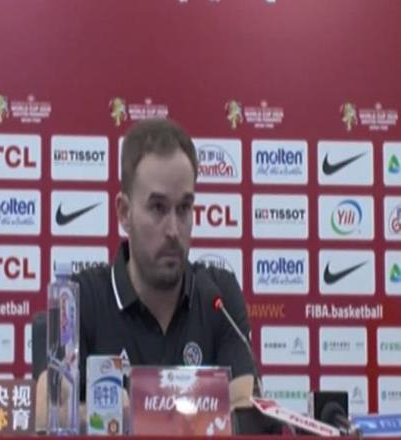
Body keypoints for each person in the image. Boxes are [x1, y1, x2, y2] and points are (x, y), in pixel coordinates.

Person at [36, 118, 256, 430]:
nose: (173, 230)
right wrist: (121, 417)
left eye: (184, 208)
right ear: (124, 212)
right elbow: (46, 414)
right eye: (158, 208)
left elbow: (247, 412)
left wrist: (135, 418)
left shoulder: (218, 294)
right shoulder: (78, 298)